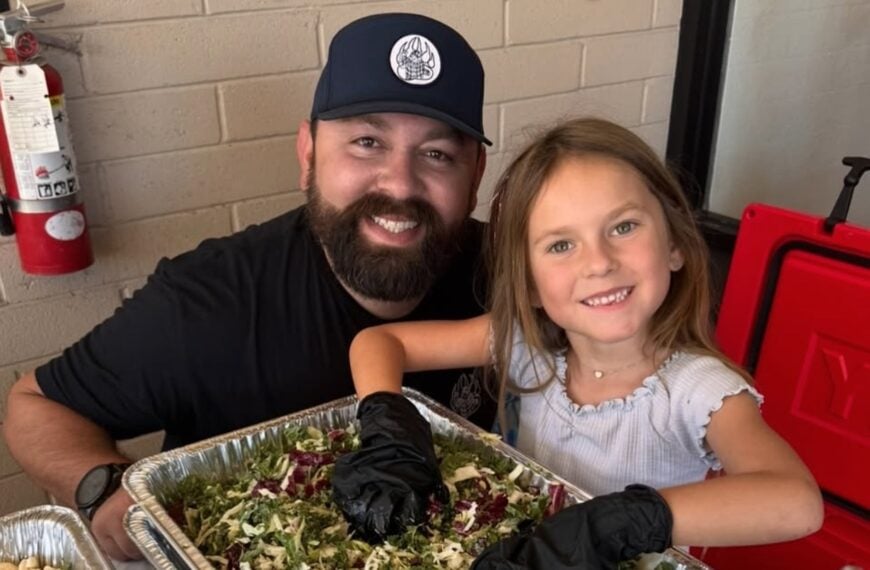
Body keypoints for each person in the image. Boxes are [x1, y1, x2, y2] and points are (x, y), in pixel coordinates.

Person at [2, 13, 496, 561]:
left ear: (474, 176)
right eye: (366, 141)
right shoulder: (209, 301)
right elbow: (33, 407)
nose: (401, 184)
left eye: (437, 154)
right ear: (308, 155)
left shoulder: (517, 276)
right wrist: (104, 489)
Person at [332, 118, 824, 567]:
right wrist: (387, 427)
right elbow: (381, 341)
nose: (598, 262)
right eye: (561, 245)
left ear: (674, 244)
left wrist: (619, 521)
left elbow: (796, 502)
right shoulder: (525, 343)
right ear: (528, 283)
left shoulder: (699, 391)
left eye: (623, 227)